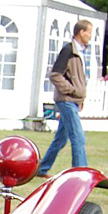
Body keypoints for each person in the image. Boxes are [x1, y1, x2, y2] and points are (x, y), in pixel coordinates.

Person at [36, 20, 93, 178]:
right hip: (66, 100)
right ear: (81, 32)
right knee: (78, 137)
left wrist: (79, 98)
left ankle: (42, 168)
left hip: (72, 101)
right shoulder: (69, 50)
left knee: (61, 138)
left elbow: (78, 78)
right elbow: (55, 75)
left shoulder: (80, 52)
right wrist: (72, 91)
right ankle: (80, 173)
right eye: (89, 32)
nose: (90, 36)